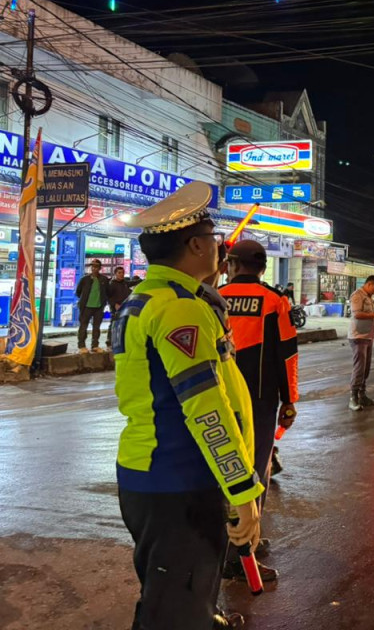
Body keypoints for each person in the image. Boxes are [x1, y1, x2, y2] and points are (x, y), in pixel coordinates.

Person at [112, 182, 262, 630]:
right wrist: (242, 490)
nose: (219, 249)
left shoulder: (148, 299)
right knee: (176, 614)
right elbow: (206, 409)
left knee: (171, 601)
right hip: (179, 479)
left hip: (153, 476)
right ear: (196, 244)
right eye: (213, 240)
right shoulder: (180, 309)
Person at [220, 240, 298, 582]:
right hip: (260, 400)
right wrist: (289, 400)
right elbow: (287, 354)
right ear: (263, 267)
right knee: (255, 472)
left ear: (233, 264)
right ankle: (242, 551)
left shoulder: (212, 296)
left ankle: (228, 543)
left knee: (222, 469)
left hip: (218, 397)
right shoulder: (274, 300)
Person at [348, 275, 374, 412]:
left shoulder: (368, 297)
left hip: (368, 336)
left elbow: (367, 314)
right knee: (359, 368)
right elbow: (357, 314)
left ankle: (362, 396)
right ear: (369, 284)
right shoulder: (357, 295)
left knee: (365, 368)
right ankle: (353, 398)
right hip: (358, 336)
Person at [76, 259, 109, 353]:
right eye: (92, 267)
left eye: (96, 267)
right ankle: (81, 346)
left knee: (96, 327)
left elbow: (107, 292)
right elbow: (78, 292)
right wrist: (84, 301)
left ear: (99, 268)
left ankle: (95, 345)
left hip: (98, 307)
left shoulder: (104, 279)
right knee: (83, 326)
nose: (94, 268)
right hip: (86, 307)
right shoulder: (84, 279)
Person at [106, 266, 132, 350]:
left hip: (125, 307)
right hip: (116, 308)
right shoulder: (112, 284)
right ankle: (109, 341)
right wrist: (114, 304)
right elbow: (108, 296)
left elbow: (134, 282)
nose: (121, 275)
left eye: (122, 273)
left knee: (124, 324)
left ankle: (122, 341)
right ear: (115, 274)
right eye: (119, 273)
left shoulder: (125, 283)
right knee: (114, 324)